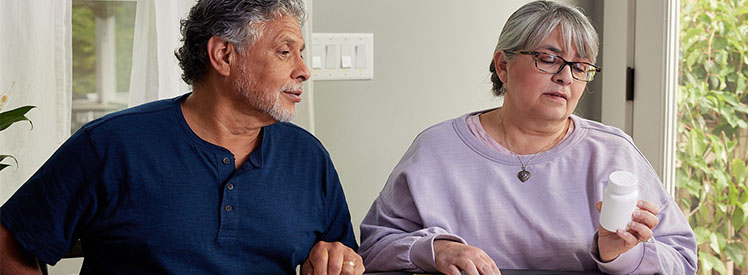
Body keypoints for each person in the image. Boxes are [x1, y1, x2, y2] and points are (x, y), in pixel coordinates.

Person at [0, 0, 364, 274]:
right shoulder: (112, 144)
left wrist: (338, 259)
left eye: (301, 54)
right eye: (285, 52)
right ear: (223, 55)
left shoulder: (308, 156)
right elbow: (9, 244)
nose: (303, 71)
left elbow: (340, 254)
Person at [358, 1, 697, 274]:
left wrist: (620, 256)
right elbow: (373, 247)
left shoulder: (612, 152)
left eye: (580, 67)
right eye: (548, 59)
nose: (566, 77)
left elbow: (682, 259)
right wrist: (436, 250)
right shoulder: (436, 149)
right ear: (502, 66)